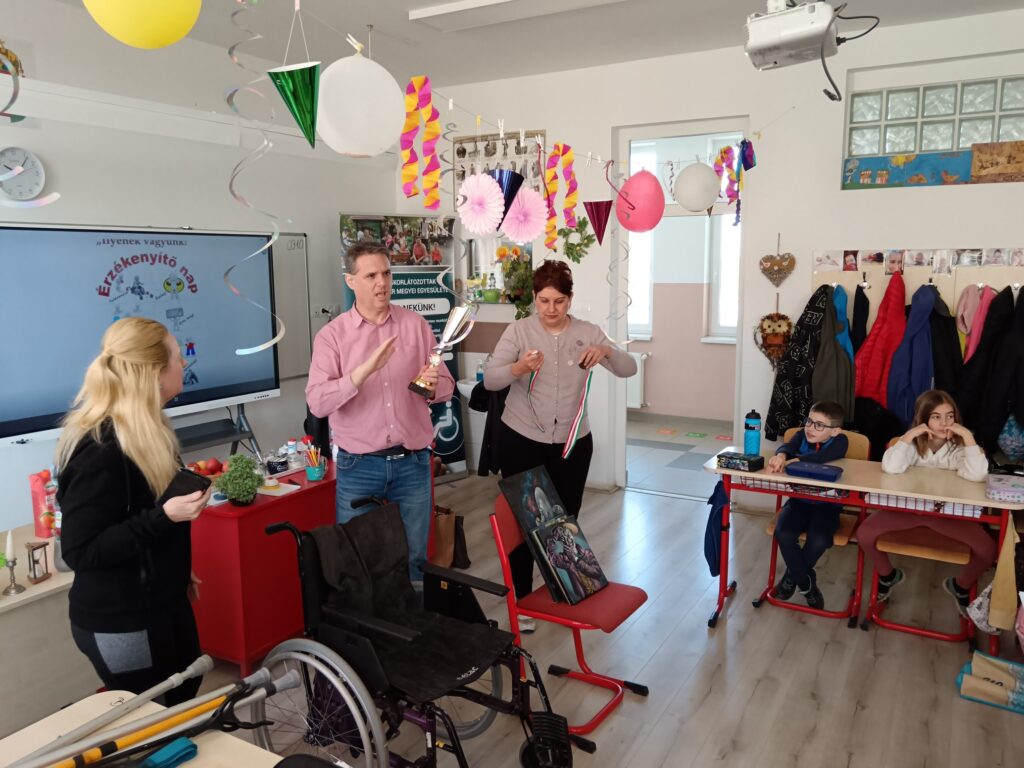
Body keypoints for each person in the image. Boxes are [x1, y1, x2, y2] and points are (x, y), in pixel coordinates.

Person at [56, 317, 211, 705]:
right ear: (154, 374)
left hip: (163, 599)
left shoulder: (150, 430)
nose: (184, 364)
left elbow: (142, 510)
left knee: (186, 688)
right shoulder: (100, 449)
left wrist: (177, 571)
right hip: (121, 618)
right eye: (177, 357)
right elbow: (80, 551)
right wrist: (165, 517)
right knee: (153, 714)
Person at [484, 260, 636, 628]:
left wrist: (607, 352)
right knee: (524, 523)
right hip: (521, 438)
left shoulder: (588, 332)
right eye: (543, 301)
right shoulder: (518, 331)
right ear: (534, 298)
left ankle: (564, 590)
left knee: (564, 523)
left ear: (570, 299)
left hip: (573, 442)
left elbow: (628, 368)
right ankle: (522, 602)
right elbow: (490, 380)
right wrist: (518, 368)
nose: (550, 309)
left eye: (559, 301)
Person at [306, 242, 454, 583]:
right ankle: (369, 620)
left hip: (413, 464)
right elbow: (318, 403)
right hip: (359, 467)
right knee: (358, 564)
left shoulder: (415, 325)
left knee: (415, 560)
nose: (382, 283)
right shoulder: (332, 337)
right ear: (350, 281)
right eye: (371, 275)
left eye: (386, 273)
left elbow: (445, 386)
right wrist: (361, 373)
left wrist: (430, 386)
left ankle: (413, 617)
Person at [856, 390, 993, 616]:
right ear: (923, 419)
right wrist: (910, 435)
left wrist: (968, 436)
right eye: (936, 417)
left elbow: (978, 475)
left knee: (987, 550)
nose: (944, 423)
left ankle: (960, 586)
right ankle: (888, 576)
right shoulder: (912, 443)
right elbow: (891, 467)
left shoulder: (961, 446)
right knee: (864, 534)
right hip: (909, 510)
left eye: (950, 416)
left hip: (946, 514)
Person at [765, 401, 849, 609]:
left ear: (835, 431)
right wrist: (781, 455)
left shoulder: (841, 441)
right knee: (784, 533)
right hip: (799, 501)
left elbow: (823, 456)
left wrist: (796, 461)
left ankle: (791, 577)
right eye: (809, 421)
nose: (811, 428)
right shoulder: (802, 435)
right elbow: (787, 446)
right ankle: (806, 583)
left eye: (819, 425)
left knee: (820, 539)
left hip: (828, 504)